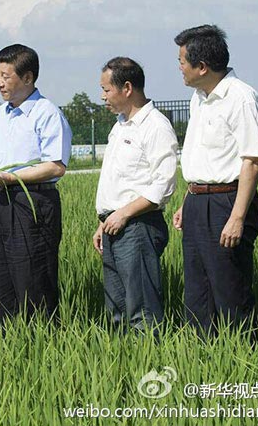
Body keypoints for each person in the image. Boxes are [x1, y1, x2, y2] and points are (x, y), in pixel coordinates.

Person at [172, 25, 258, 336]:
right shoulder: (198, 98)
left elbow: (252, 160)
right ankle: (204, 359)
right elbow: (203, 159)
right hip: (199, 202)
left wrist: (237, 218)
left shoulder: (240, 97)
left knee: (230, 291)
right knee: (198, 292)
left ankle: (241, 357)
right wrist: (188, 202)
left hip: (228, 202)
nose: (180, 68)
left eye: (182, 61)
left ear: (202, 66)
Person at [0, 44, 72, 322]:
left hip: (31, 203)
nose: (0, 82)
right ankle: (8, 338)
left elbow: (55, 166)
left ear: (27, 78)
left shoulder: (46, 113)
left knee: (33, 275)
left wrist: (10, 177)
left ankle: (40, 337)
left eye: (6, 76)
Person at [93, 57, 178, 334]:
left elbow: (162, 185)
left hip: (138, 227)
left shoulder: (155, 126)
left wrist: (124, 213)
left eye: (106, 90)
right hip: (114, 225)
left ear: (127, 88)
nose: (103, 96)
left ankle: (149, 366)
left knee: (141, 309)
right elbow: (120, 182)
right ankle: (123, 365)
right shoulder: (120, 126)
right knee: (116, 310)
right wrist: (105, 220)